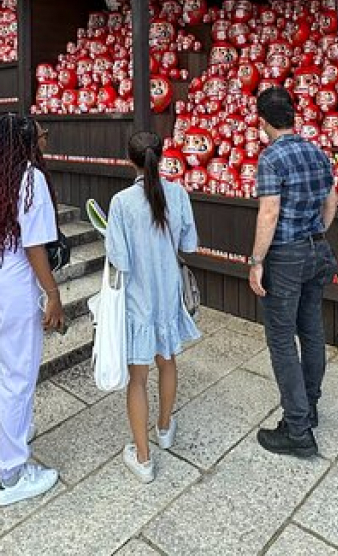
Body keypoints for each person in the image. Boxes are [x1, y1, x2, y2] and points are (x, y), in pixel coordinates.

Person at [0, 113, 65, 506]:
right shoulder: (31, 179)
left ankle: (9, 424)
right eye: (42, 135)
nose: (45, 140)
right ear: (28, 142)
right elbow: (34, 245)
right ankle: (10, 475)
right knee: (18, 373)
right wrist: (52, 293)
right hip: (12, 281)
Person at [105, 130, 201, 483]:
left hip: (138, 300)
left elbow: (120, 261)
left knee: (138, 378)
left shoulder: (121, 203)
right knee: (169, 361)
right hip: (168, 295)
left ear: (130, 160)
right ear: (161, 157)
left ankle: (143, 458)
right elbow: (189, 244)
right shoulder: (177, 194)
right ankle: (164, 428)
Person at [247, 86, 337, 458]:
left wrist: (256, 261)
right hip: (318, 249)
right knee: (312, 330)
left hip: (285, 256)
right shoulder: (317, 151)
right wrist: (316, 232)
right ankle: (310, 406)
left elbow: (269, 213)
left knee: (282, 339)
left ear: (263, 121)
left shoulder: (272, 158)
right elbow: (332, 201)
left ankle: (297, 429)